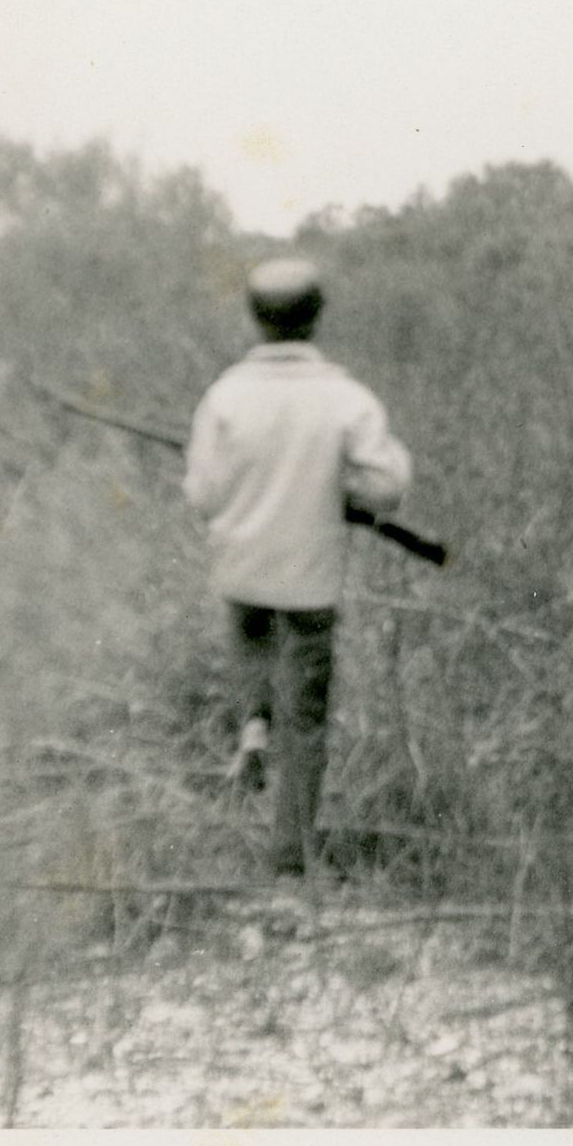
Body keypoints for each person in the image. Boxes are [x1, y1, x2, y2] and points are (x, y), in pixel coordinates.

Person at [184, 256, 413, 882]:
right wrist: (339, 488)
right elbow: (386, 488)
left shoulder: (225, 396)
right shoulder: (346, 399)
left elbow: (202, 494)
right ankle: (288, 861)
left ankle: (253, 721)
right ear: (316, 317)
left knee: (252, 643)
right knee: (306, 716)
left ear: (255, 319)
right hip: (308, 578)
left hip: (242, 568)